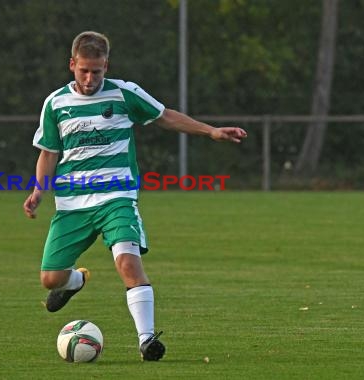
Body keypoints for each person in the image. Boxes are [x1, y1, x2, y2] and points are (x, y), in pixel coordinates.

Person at [23, 31, 247, 361]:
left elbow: (166, 116)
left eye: (97, 71)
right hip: (72, 205)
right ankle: (73, 282)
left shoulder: (124, 94)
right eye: (83, 70)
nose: (89, 78)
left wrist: (210, 130)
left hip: (117, 197)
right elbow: (49, 153)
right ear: (72, 64)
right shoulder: (56, 103)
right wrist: (39, 189)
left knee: (128, 263)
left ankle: (147, 340)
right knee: (50, 279)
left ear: (106, 66)